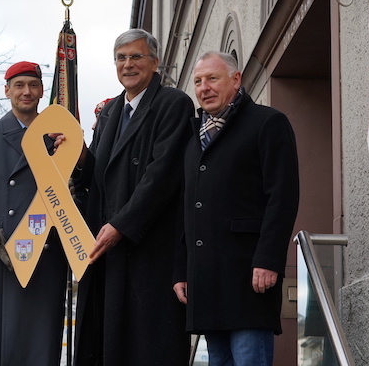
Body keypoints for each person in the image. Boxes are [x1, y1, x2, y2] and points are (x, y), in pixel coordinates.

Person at [70, 28, 193, 365]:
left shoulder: (173, 104)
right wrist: (79, 154)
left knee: (147, 346)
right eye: (121, 58)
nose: (128, 65)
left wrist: (121, 225)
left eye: (136, 57)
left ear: (155, 62)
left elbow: (162, 176)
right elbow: (98, 175)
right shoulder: (109, 112)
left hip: (148, 250)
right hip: (108, 252)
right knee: (107, 344)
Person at [173, 51, 299, 366]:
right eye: (198, 81)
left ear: (236, 79)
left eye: (213, 79)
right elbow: (185, 210)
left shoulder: (268, 123)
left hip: (249, 274)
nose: (204, 88)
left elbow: (282, 197)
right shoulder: (193, 142)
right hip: (206, 279)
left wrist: (269, 259)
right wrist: (181, 270)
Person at [0, 61, 68, 365]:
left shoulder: (60, 136)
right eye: (19, 85)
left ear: (43, 90)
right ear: (7, 91)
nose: (26, 92)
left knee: (36, 351)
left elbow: (73, 193)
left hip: (44, 260)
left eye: (33, 85)